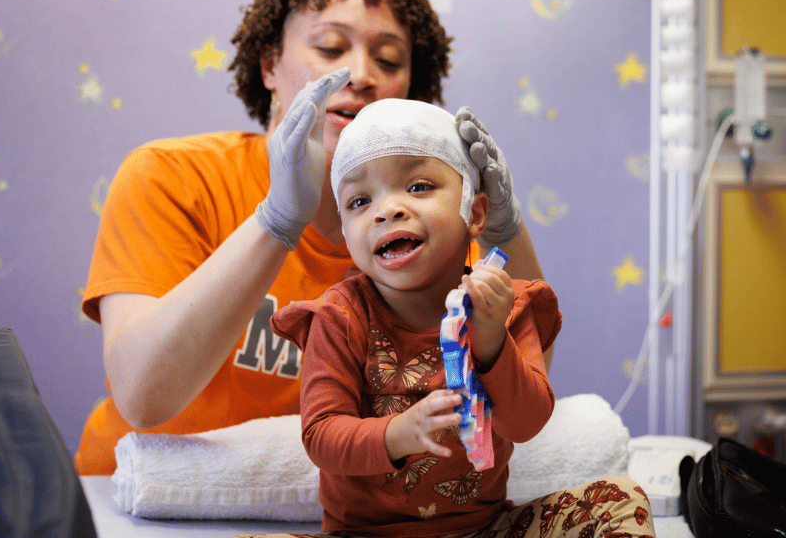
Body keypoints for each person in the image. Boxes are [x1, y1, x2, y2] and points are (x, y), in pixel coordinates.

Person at [74, 0, 545, 476]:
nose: (362, 75)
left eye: (389, 61)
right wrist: (276, 221)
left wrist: (504, 229)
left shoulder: (433, 220)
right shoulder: (170, 178)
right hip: (143, 503)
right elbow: (142, 396)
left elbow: (524, 393)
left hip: (339, 506)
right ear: (269, 65)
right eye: (330, 48)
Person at [266, 98, 655, 538]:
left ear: (475, 214)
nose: (386, 209)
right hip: (363, 535)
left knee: (621, 502)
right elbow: (321, 436)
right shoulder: (338, 318)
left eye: (417, 188)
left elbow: (526, 425)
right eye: (359, 200)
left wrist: (492, 343)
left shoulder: (505, 303)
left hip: (486, 530)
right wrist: (398, 433)